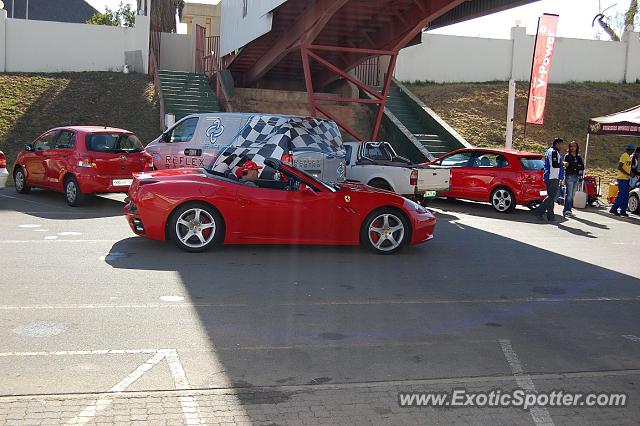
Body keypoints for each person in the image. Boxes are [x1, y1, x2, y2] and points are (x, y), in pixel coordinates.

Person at [533, 138, 565, 222]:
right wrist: (563, 164)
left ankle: (551, 217)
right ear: (557, 144)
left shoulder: (550, 151)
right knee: (551, 197)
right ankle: (538, 212)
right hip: (552, 177)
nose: (562, 146)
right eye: (561, 144)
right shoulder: (553, 152)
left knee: (550, 197)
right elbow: (555, 165)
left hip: (550, 176)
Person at [609, 144, 635, 217]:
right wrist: (628, 174)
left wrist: (631, 174)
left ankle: (623, 211)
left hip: (627, 179)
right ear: (630, 150)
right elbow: (620, 167)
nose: (633, 152)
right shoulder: (624, 155)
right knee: (621, 195)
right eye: (632, 150)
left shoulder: (629, 157)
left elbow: (627, 168)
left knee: (626, 196)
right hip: (622, 178)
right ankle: (614, 209)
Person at [562, 141, 584, 217]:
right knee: (569, 194)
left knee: (573, 195)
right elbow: (566, 165)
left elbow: (582, 167)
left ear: (577, 147)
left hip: (576, 176)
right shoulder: (567, 156)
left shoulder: (578, 157)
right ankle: (566, 210)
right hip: (569, 176)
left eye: (574, 146)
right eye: (571, 146)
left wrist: (580, 175)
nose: (573, 147)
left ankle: (569, 210)